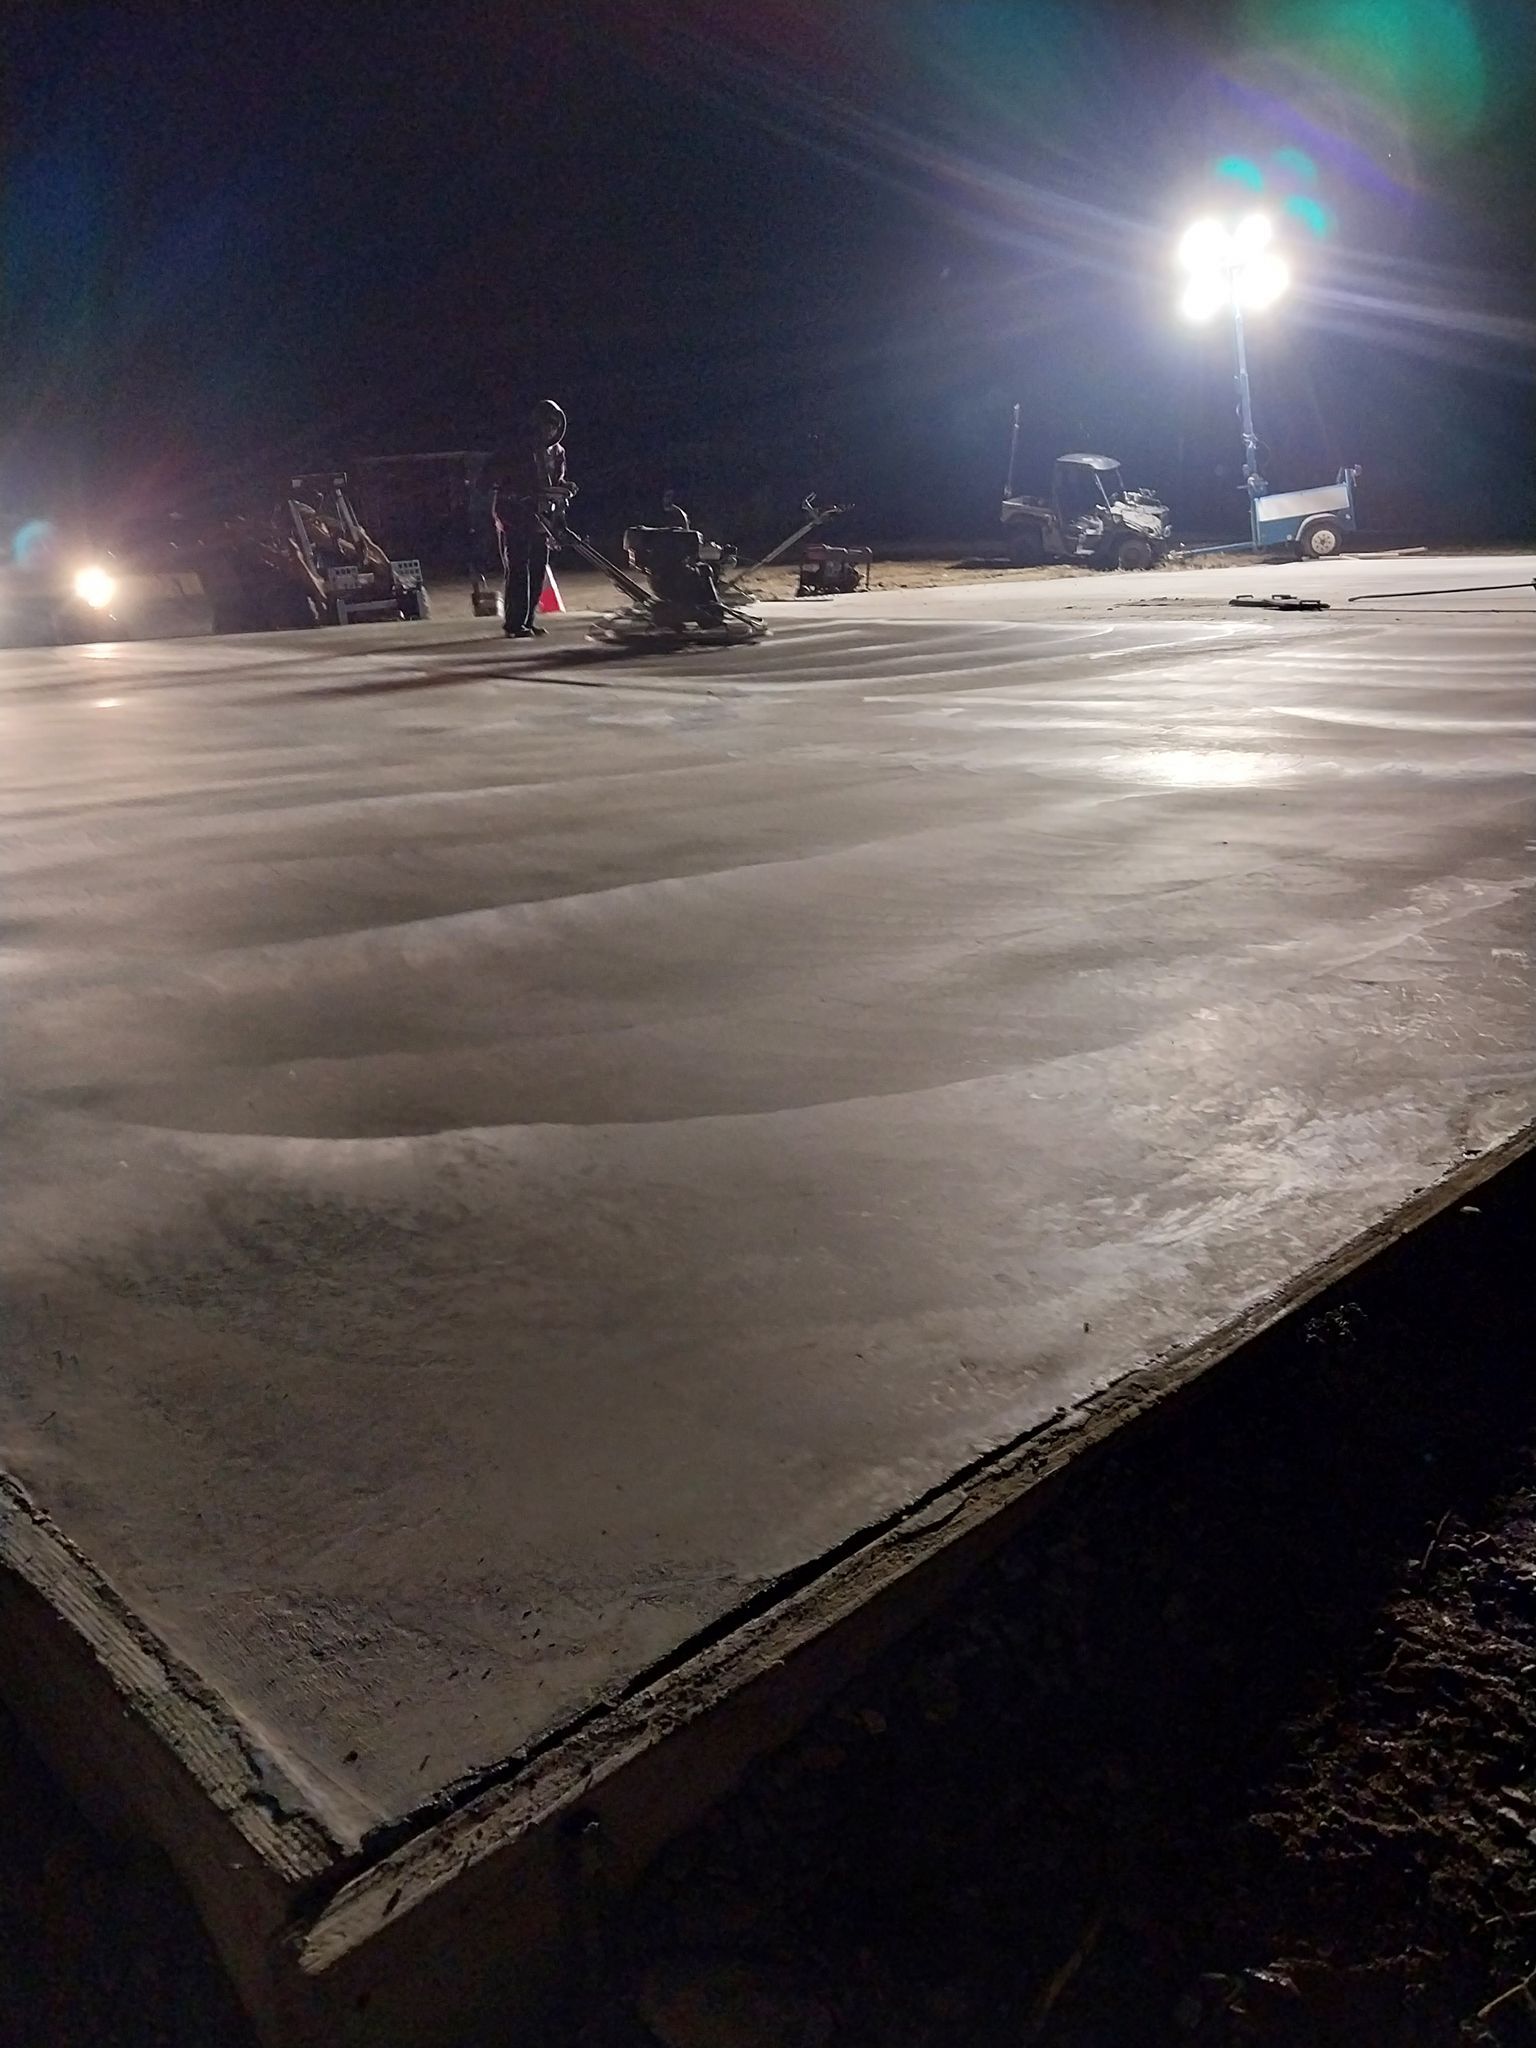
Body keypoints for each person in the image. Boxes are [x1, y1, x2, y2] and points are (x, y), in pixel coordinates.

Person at [491, 400, 571, 638]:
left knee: (538, 568)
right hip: (516, 515)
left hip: (541, 518)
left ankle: (528, 620)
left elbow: (555, 482)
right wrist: (518, 494)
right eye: (547, 425)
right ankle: (514, 624)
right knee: (518, 569)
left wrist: (564, 488)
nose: (551, 430)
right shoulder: (518, 450)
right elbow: (499, 478)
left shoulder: (557, 453)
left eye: (555, 426)